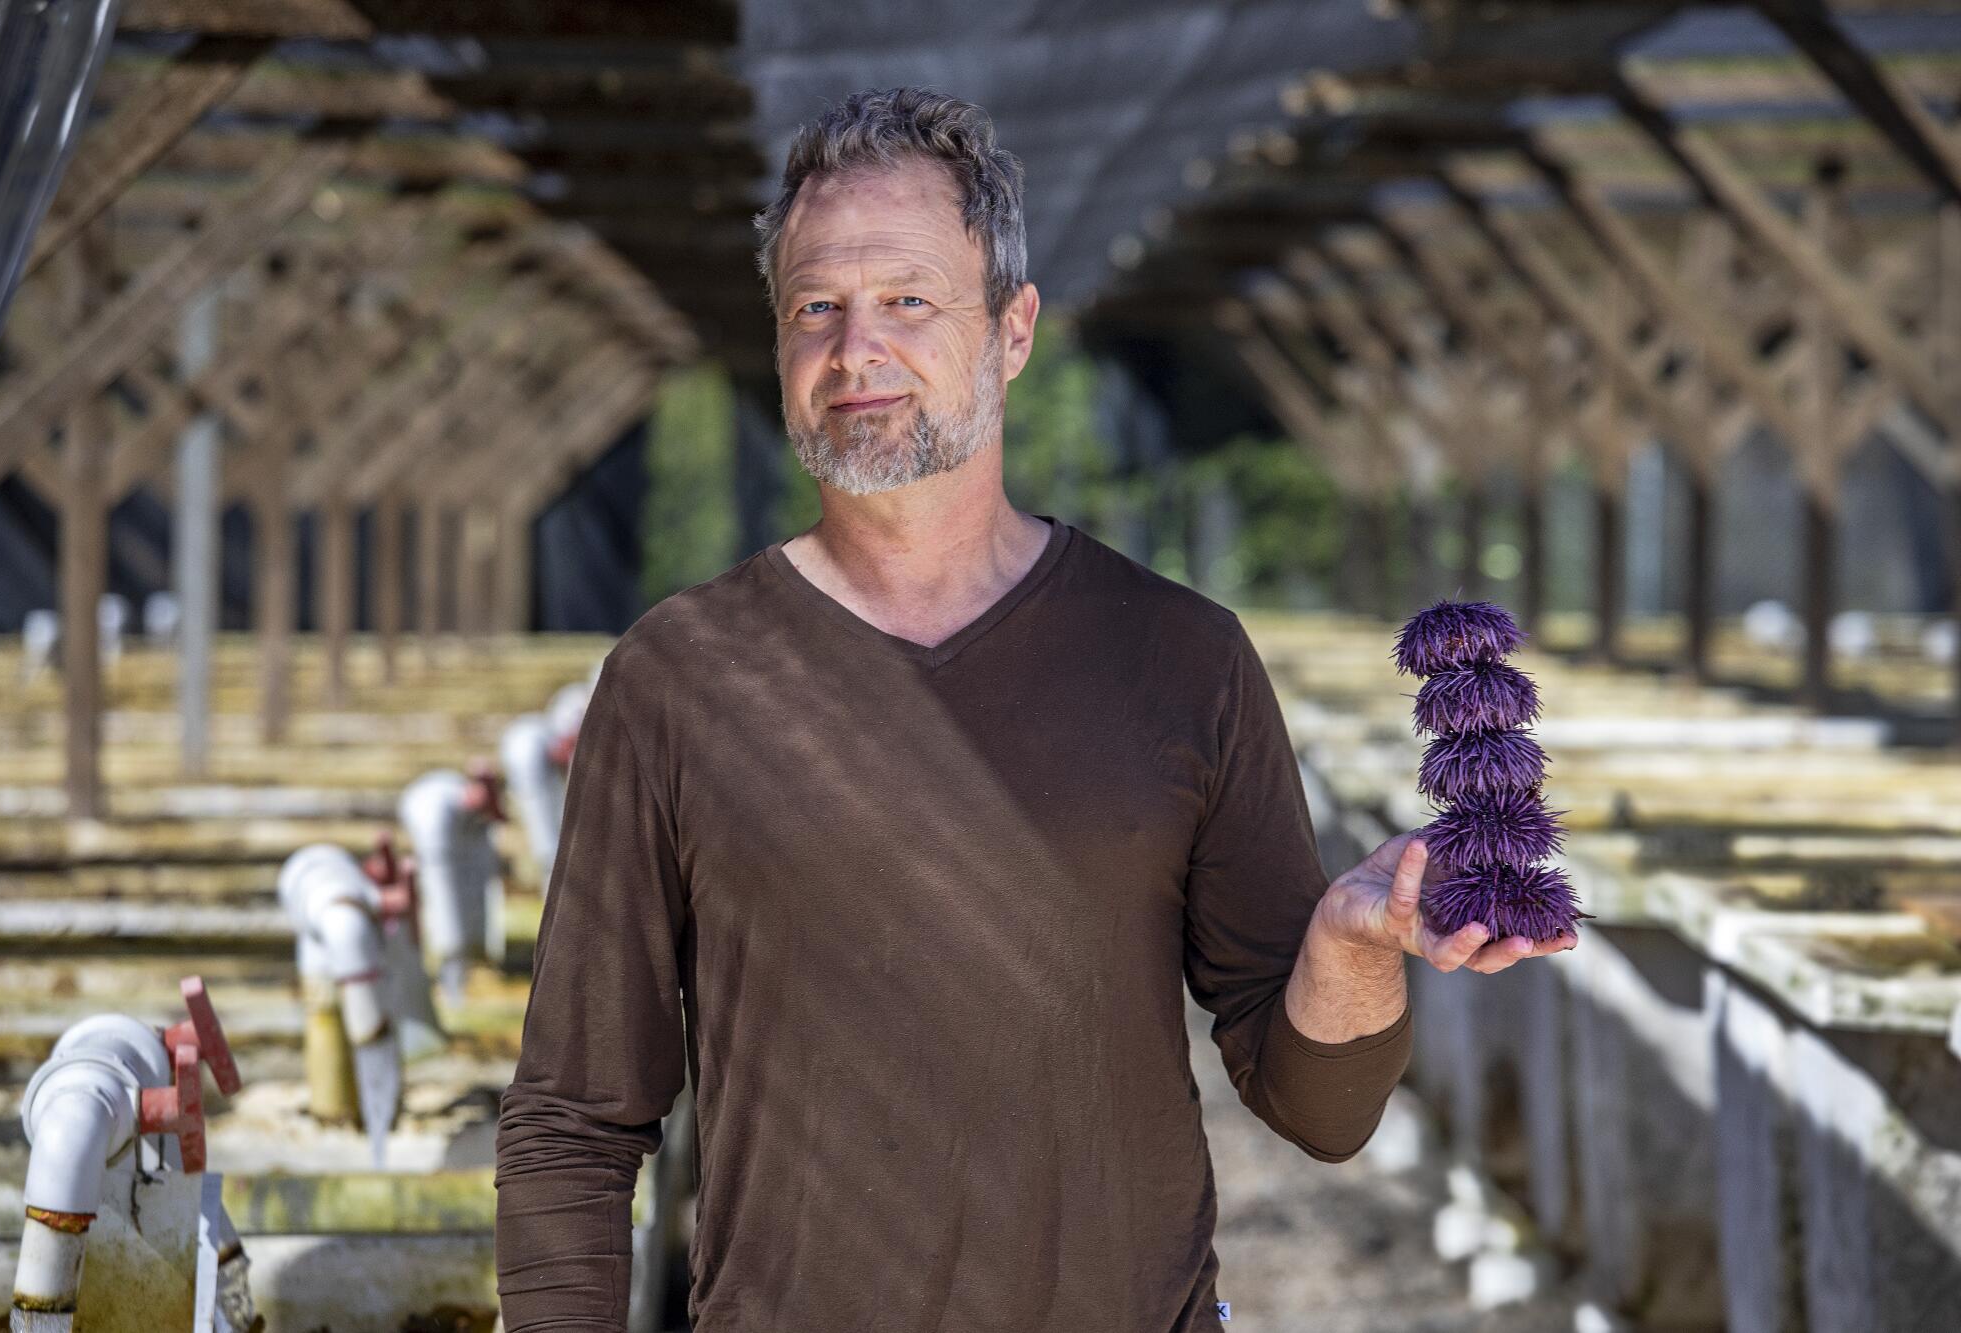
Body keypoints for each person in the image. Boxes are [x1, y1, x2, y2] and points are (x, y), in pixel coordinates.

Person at [493, 86, 1575, 1333]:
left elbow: (1319, 1114)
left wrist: (1345, 941)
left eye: (907, 300)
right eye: (814, 309)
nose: (856, 352)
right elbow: (574, 1120)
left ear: (1011, 332)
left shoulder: (1177, 658)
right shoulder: (677, 678)